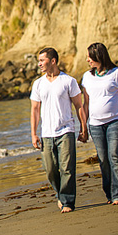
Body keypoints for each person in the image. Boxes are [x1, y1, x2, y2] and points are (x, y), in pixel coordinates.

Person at [30, 47, 88, 213]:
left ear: (53, 61)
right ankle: (60, 194)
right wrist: (34, 133)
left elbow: (78, 105)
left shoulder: (68, 81)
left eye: (42, 60)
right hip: (46, 133)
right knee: (50, 170)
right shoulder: (38, 84)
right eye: (39, 61)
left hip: (66, 130)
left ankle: (68, 201)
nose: (39, 64)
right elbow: (34, 109)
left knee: (67, 168)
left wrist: (84, 127)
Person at [81, 42, 118, 205]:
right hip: (96, 125)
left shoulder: (116, 73)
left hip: (117, 121)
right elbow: (86, 103)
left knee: (114, 155)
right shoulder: (87, 77)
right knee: (103, 159)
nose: (87, 60)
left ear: (99, 56)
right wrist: (84, 126)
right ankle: (110, 193)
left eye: (89, 57)